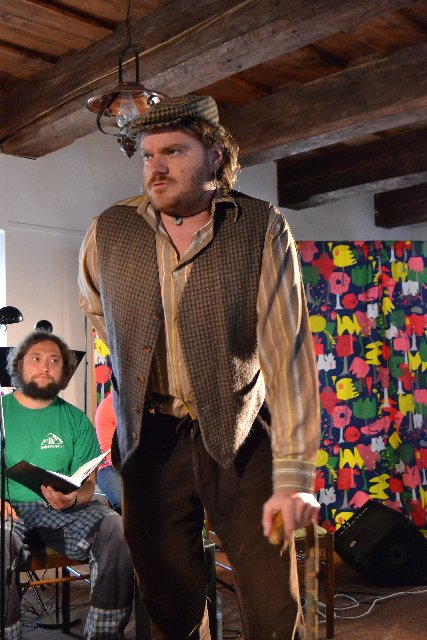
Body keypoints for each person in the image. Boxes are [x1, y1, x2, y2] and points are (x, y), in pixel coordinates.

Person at [79, 94, 320, 640]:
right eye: (148, 155)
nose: (156, 167)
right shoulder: (108, 230)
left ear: (215, 156)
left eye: (174, 151)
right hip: (149, 438)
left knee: (271, 600)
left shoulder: (260, 226)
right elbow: (96, 308)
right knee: (170, 601)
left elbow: (287, 354)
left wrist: (294, 475)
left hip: (240, 431)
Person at [2, 331, 134, 640]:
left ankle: (103, 633)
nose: (45, 367)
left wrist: (73, 500)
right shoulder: (3, 413)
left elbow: (88, 483)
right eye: (36, 358)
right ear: (19, 365)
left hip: (60, 511)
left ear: (64, 370)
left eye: (54, 361)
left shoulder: (76, 419)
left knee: (115, 528)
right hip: (9, 509)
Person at [94, 392, 122, 513]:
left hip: (143, 466)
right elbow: (110, 453)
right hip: (110, 467)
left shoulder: (149, 407)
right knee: (122, 499)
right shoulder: (107, 407)